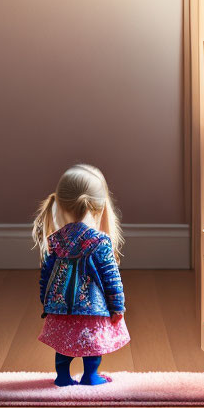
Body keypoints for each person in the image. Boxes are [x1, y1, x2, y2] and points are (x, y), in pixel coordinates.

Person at [33, 164, 129, 386]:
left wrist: (46, 303)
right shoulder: (100, 242)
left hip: (59, 307)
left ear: (60, 204)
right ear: (99, 206)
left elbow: (45, 276)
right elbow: (111, 278)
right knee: (92, 344)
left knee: (63, 345)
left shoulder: (56, 240)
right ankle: (90, 375)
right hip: (92, 310)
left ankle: (63, 377)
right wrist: (117, 307)